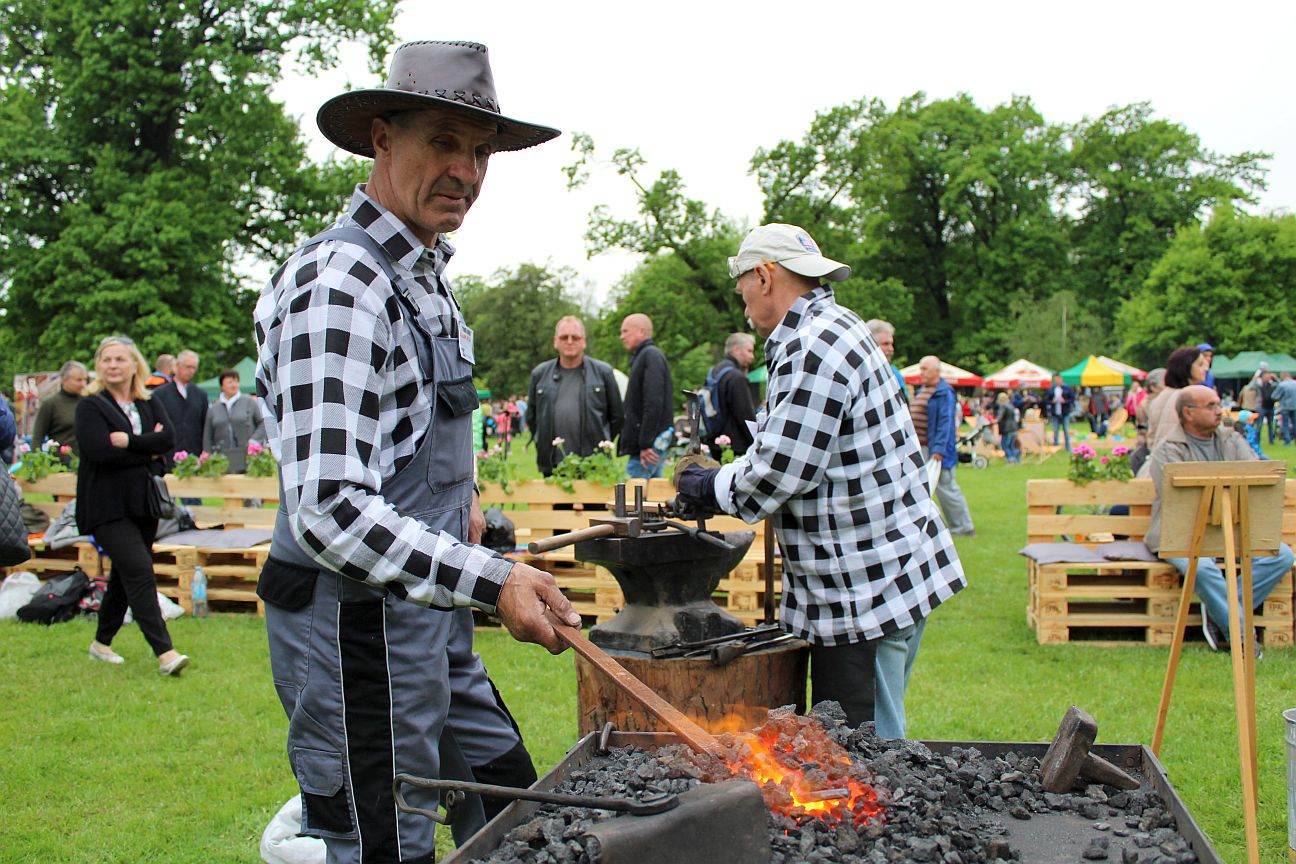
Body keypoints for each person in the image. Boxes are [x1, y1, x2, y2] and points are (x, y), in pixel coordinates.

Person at [253, 40, 580, 863]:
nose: (466, 171)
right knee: (385, 844)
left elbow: (415, 454)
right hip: (354, 636)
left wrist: (472, 514)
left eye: (480, 151)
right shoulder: (341, 285)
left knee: (514, 807)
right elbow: (330, 509)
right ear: (381, 139)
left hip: (429, 620)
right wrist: (493, 580)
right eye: (443, 140)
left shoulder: (425, 276)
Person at [674, 223, 965, 739]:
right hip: (874, 581)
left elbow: (776, 474)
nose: (741, 299)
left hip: (864, 595)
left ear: (764, 276)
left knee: (866, 764)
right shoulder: (832, 327)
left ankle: (887, 825)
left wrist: (707, 484)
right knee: (858, 755)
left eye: (742, 283)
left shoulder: (816, 345)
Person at [1143, 385, 1293, 657]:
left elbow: (1253, 476)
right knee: (1201, 567)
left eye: (1217, 404)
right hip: (1182, 532)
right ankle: (1241, 639)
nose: (1218, 410)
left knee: (1281, 555)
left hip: (1232, 526)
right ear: (1188, 413)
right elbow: (1177, 501)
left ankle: (1219, 610)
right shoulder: (1169, 448)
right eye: (1211, 405)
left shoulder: (1230, 439)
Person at [75, 336, 189, 675]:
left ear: (133, 364)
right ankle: (165, 653)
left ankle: (101, 644)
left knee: (126, 576)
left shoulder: (148, 401)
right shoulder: (91, 405)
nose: (112, 365)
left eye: (119, 359)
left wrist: (129, 442)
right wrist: (146, 449)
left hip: (142, 504)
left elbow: (168, 439)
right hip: (105, 506)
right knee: (139, 570)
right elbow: (98, 451)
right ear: (99, 365)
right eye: (106, 359)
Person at [525, 316, 623, 476]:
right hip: (554, 464)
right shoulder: (539, 374)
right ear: (555, 341)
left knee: (596, 503)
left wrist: (602, 441)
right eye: (564, 337)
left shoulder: (604, 372)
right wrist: (540, 440)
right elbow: (532, 417)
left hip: (595, 463)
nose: (569, 341)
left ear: (583, 341)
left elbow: (617, 417)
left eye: (575, 337)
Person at [913, 355, 975, 536]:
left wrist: (938, 449)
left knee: (946, 488)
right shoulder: (924, 390)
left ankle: (964, 527)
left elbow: (945, 422)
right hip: (923, 448)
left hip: (936, 450)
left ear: (936, 371)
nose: (921, 372)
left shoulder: (943, 392)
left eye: (924, 369)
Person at [618, 313, 673, 479]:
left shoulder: (650, 356)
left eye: (625, 331)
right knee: (653, 496)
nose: (621, 337)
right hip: (649, 444)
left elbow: (654, 402)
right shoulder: (645, 356)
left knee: (632, 498)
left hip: (647, 448)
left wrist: (646, 444)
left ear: (641, 332)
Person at [703, 332, 758, 455]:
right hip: (735, 447)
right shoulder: (736, 377)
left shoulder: (714, 372)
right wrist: (757, 444)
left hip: (715, 441)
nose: (752, 357)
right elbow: (745, 417)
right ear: (736, 350)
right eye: (749, 351)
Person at [1145, 346, 1209, 452]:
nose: (1206, 369)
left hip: (1161, 459)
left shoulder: (1163, 395)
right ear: (1186, 367)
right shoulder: (1185, 397)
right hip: (1178, 461)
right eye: (1200, 364)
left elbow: (1152, 438)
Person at [202, 369, 265, 473]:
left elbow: (263, 423)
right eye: (230, 382)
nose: (234, 385)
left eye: (236, 381)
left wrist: (254, 441)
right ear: (222, 386)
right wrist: (208, 456)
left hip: (247, 456)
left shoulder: (249, 402)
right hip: (221, 457)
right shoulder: (214, 408)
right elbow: (207, 435)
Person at [151, 349, 207, 460]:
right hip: (168, 455)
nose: (191, 371)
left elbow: (204, 425)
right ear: (177, 366)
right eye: (188, 367)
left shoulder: (200, 395)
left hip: (193, 455)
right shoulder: (159, 394)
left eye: (194, 368)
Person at [31, 360, 87, 457]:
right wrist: (38, 461)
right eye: (78, 380)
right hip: (62, 464)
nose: (83, 384)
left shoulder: (88, 402)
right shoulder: (50, 404)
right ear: (64, 379)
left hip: (88, 461)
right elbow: (37, 437)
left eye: (85, 379)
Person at [865, 319, 907, 403]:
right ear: (870, 344)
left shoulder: (894, 373)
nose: (891, 349)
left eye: (892, 344)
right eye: (885, 344)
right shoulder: (858, 371)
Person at [1045, 373, 1075, 452]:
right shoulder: (1052, 389)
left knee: (1066, 429)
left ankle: (1068, 447)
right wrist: (1052, 401)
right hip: (1055, 412)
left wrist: (1065, 401)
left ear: (1061, 379)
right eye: (1055, 380)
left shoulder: (1067, 388)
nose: (1057, 381)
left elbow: (1072, 399)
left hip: (1065, 412)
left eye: (1058, 379)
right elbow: (1046, 400)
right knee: (1055, 429)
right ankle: (1056, 445)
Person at [992, 391, 1020, 464]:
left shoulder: (1003, 406)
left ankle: (1011, 459)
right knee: (1011, 445)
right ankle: (1017, 456)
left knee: (1004, 445)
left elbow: (1000, 417)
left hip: (1006, 428)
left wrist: (994, 420)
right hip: (1014, 428)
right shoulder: (1011, 405)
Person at [1274, 371, 1296, 446]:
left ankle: (1287, 441)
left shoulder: (1282, 385)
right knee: (1294, 423)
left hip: (1285, 406)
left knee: (1285, 424)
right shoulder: (1295, 383)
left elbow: (1274, 396)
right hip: (1294, 406)